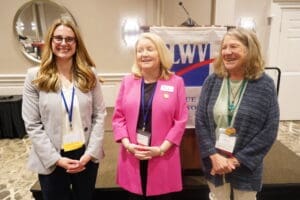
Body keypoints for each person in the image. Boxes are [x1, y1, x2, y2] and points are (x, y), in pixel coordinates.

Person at [22, 18, 107, 200]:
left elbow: (100, 115)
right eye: (58, 38)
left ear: (77, 43)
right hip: (52, 157)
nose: (63, 43)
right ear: (50, 41)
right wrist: (56, 159)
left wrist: (90, 153)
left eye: (69, 39)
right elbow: (32, 124)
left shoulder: (89, 74)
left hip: (85, 155)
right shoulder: (34, 77)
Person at [195, 28, 280, 200]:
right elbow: (201, 121)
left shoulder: (264, 85)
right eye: (224, 47)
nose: (227, 52)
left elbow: (269, 130)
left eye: (233, 46)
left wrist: (236, 161)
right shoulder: (212, 81)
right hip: (215, 162)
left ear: (250, 50)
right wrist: (213, 155)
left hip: (246, 166)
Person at [112, 32, 188, 200]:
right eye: (140, 50)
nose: (144, 54)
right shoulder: (128, 82)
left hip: (162, 155)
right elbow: (118, 117)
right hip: (133, 153)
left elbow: (180, 121)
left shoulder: (176, 82)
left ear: (160, 53)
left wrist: (161, 150)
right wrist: (128, 145)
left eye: (149, 49)